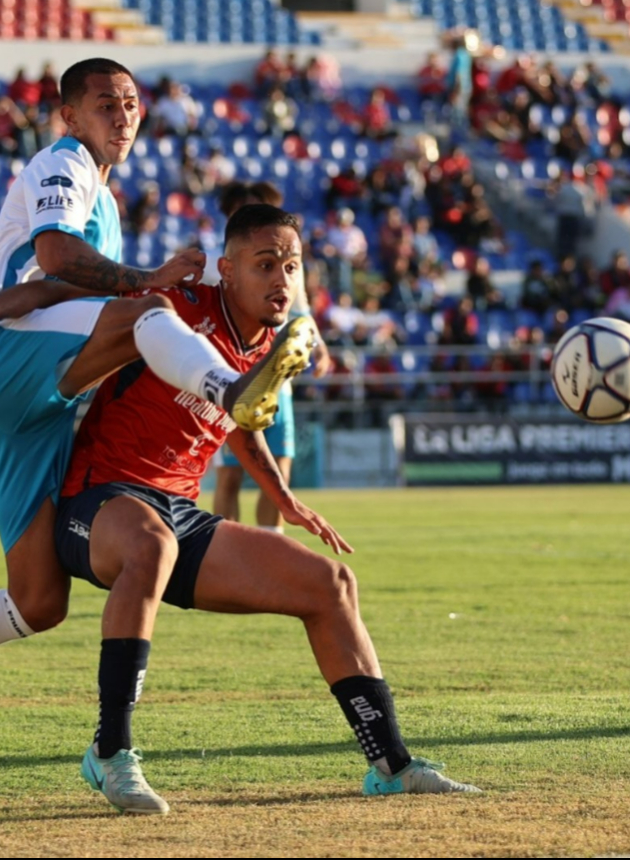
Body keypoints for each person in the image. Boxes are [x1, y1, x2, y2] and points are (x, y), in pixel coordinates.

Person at [0, 59, 313, 770]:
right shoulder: (65, 162)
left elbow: (48, 284)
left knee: (37, 603)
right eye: (104, 104)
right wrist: (145, 283)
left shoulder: (107, 204)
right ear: (69, 117)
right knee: (150, 312)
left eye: (131, 103)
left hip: (37, 404)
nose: (122, 115)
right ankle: (228, 389)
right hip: (11, 361)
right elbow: (57, 257)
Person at [55, 205, 480, 813]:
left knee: (329, 582)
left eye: (290, 265)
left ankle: (392, 765)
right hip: (96, 500)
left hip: (176, 512)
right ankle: (110, 751)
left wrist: (284, 499)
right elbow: (75, 302)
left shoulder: (266, 344)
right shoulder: (180, 306)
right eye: (264, 265)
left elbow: (238, 421)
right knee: (151, 544)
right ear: (225, 270)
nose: (281, 279)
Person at [210, 181, 330, 533]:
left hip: (279, 381)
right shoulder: (218, 262)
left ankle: (269, 547)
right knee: (230, 474)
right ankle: (223, 553)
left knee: (278, 471)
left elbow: (301, 308)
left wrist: (317, 343)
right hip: (233, 376)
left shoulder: (288, 263)